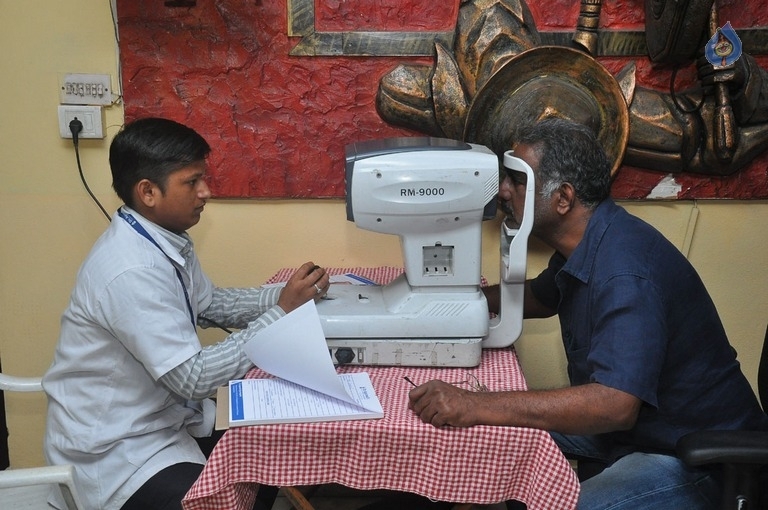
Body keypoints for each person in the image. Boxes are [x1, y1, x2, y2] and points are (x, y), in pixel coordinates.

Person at [407, 118, 768, 509]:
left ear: (563, 198)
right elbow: (541, 297)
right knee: (491, 436)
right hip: (635, 431)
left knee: (552, 498)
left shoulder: (625, 273)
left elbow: (613, 406)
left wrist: (474, 404)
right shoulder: (590, 243)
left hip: (694, 456)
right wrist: (449, 299)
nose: (504, 191)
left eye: (519, 180)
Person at [42, 117, 331, 510]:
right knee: (219, 497)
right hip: (117, 451)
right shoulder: (131, 270)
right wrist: (282, 311)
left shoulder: (163, 237)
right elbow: (192, 379)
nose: (205, 192)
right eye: (192, 181)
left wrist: (285, 295)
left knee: (268, 449)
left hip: (163, 419)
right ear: (148, 191)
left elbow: (209, 304)